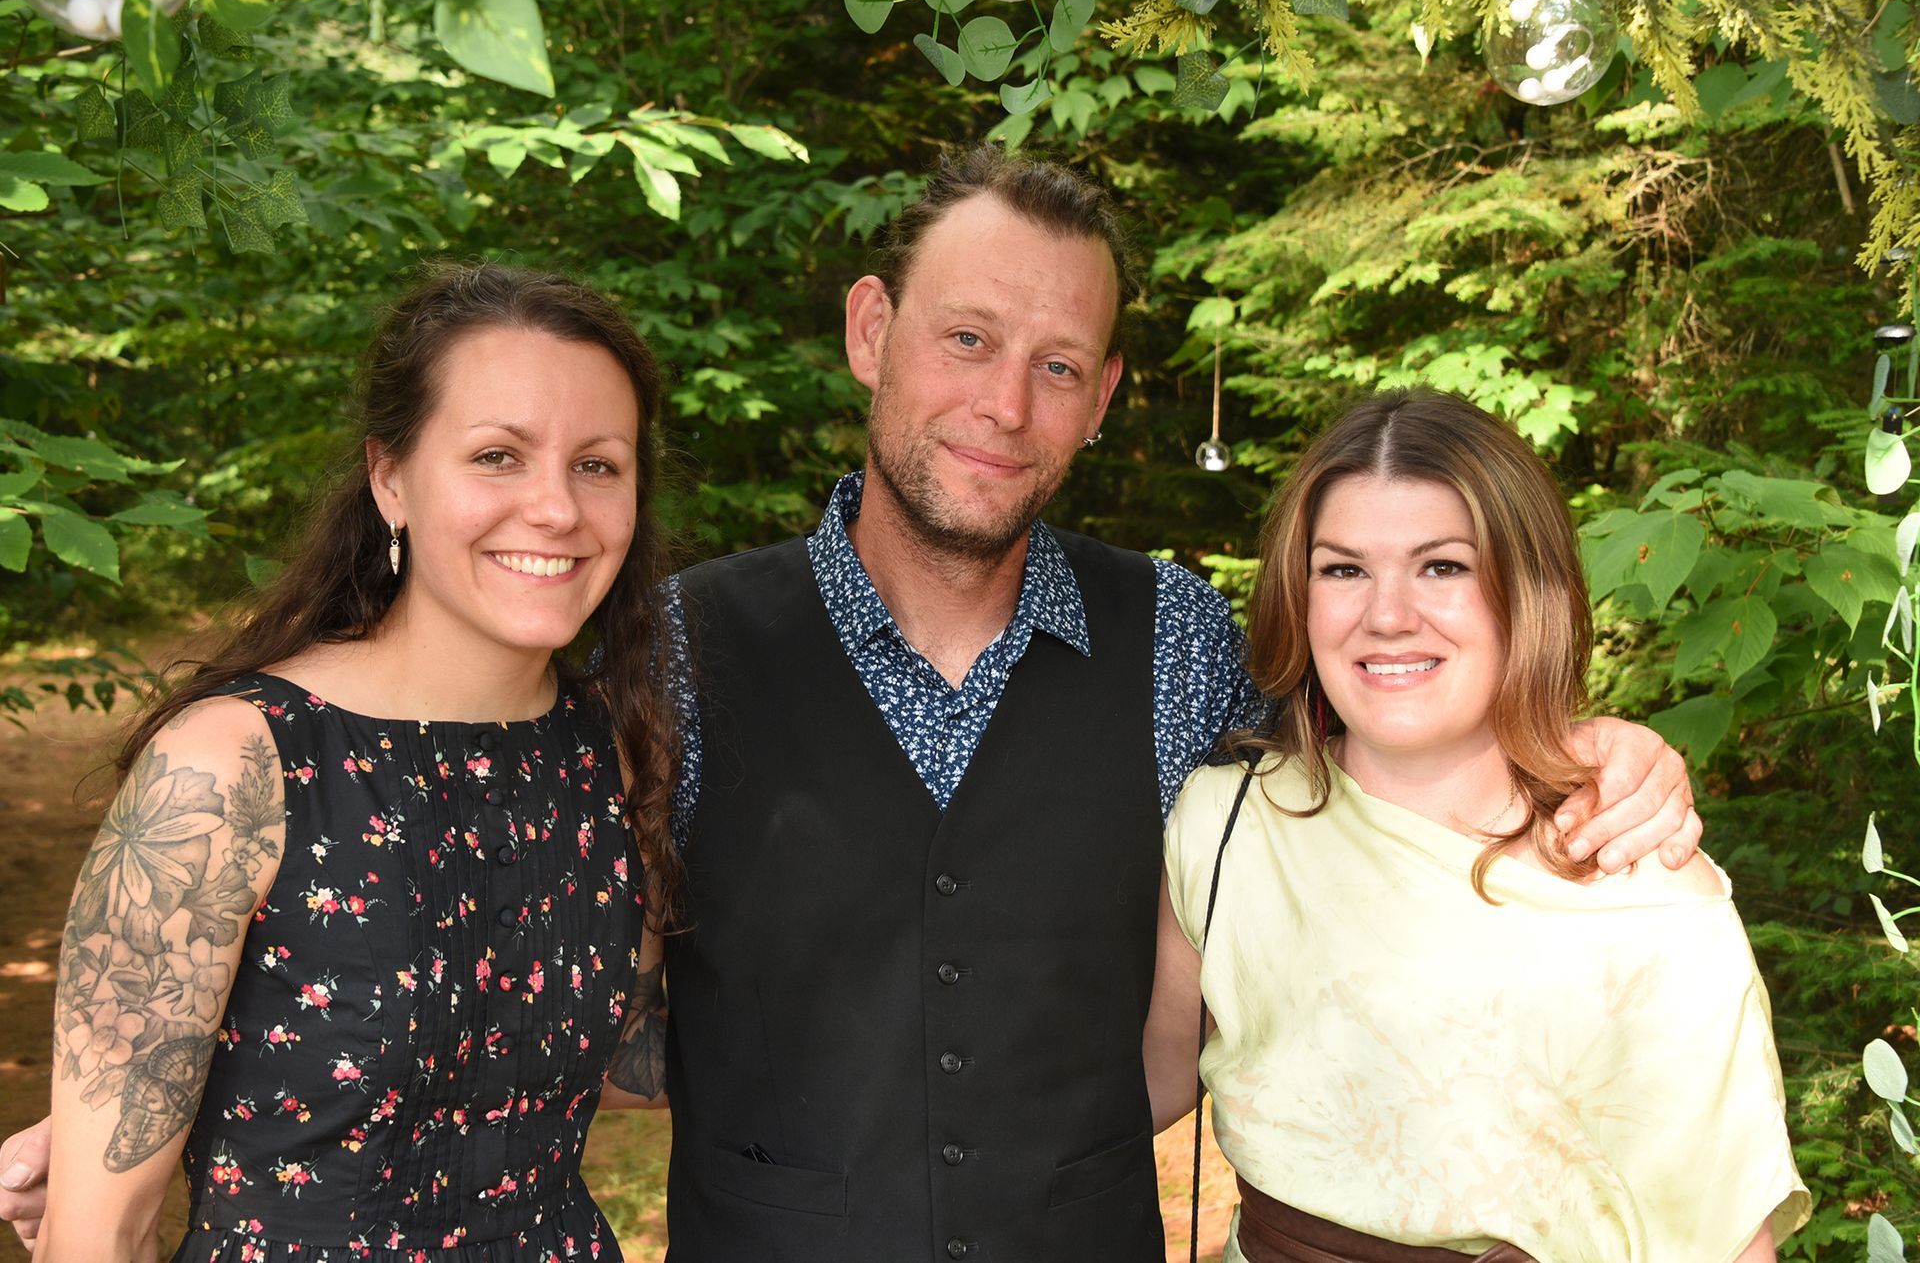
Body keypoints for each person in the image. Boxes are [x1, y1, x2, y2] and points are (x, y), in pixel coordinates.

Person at [4, 147, 1701, 1261]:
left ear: (1105, 396)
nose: (1005, 404)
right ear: (872, 331)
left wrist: (1596, 755)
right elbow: (517, 964)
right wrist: (167, 1096)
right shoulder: (664, 655)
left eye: (1058, 366)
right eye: (966, 340)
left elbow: (1392, 772)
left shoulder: (1178, 642)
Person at [24, 263, 680, 1262]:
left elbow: (622, 1050)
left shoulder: (610, 752)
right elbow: (96, 1229)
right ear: (390, 478)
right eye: (498, 455)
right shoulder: (230, 768)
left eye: (598, 464)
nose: (555, 508)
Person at [1142, 389, 1809, 1262]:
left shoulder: (1640, 877)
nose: (1387, 615)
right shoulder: (1225, 824)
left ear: (1527, 593)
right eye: (1343, 570)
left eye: (1442, 567)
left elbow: (1725, 1238)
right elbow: (1140, 1082)